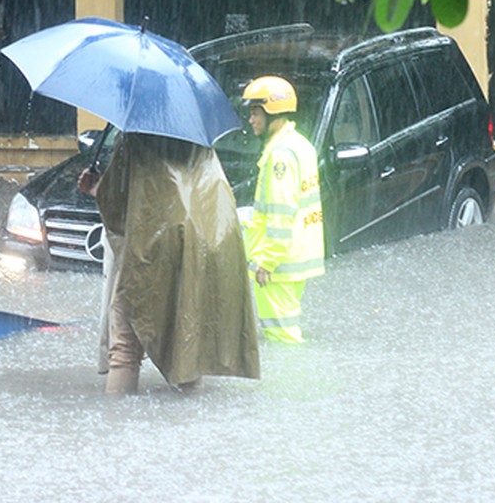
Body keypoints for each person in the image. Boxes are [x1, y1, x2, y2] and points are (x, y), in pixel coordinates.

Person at [78, 132, 260, 394]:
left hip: (150, 249)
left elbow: (117, 209)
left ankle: (114, 427)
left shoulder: (133, 138)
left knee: (125, 349)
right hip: (201, 249)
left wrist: (96, 189)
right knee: (188, 343)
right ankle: (189, 427)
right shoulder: (201, 141)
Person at [240, 75, 325, 344]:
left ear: (273, 113)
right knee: (285, 330)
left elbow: (280, 213)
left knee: (281, 336)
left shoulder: (280, 156)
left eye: (256, 113)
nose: (251, 120)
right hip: (295, 255)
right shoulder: (300, 144)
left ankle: (290, 384)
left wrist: (267, 261)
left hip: (278, 264)